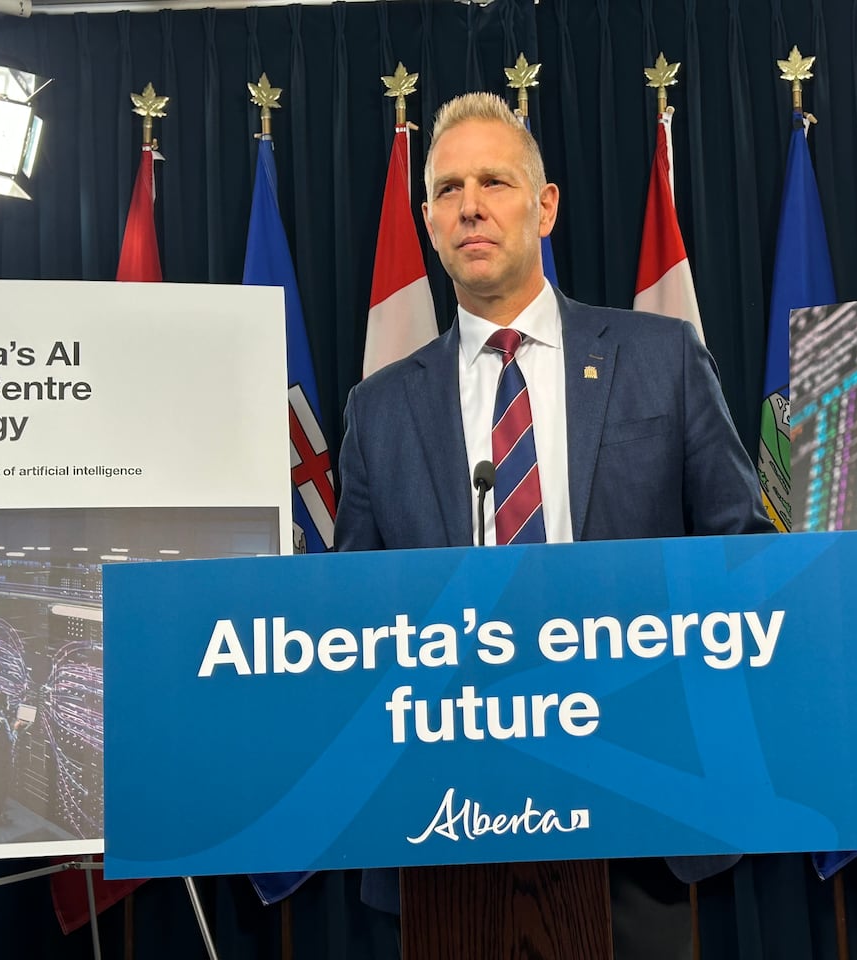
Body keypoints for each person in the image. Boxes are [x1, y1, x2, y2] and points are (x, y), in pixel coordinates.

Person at [333, 91, 773, 958]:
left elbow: (739, 548)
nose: (470, 204)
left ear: (545, 205)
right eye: (449, 187)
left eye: (495, 180)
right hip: (445, 812)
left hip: (639, 801)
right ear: (427, 219)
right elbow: (357, 613)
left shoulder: (662, 357)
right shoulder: (377, 409)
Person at [0, 691, 27, 828]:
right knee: (3, 788)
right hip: (4, 760)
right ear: (3, 704)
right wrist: (16, 729)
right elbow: (10, 741)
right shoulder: (2, 721)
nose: (9, 703)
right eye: (7, 701)